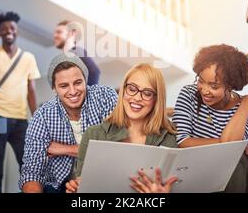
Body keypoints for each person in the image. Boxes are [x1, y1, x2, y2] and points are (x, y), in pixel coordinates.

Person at [65, 63, 178, 194]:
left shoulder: (169, 138)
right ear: (123, 90)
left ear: (157, 99)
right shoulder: (93, 134)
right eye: (132, 88)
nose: (137, 97)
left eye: (147, 93)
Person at [19, 53, 118, 193]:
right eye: (64, 86)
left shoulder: (105, 97)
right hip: (57, 186)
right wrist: (82, 149)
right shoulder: (42, 116)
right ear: (54, 89)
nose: (73, 91)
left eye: (78, 82)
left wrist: (59, 148)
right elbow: (32, 171)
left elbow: (115, 147)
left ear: (85, 80)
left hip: (101, 179)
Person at [172, 44, 248, 193]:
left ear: (231, 85)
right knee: (235, 155)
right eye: (200, 81)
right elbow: (182, 141)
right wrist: (234, 144)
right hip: (194, 166)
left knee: (235, 162)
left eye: (214, 86)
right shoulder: (188, 94)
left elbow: (230, 147)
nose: (204, 90)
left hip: (231, 173)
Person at [0, 11, 41, 193]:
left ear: (17, 31)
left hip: (20, 121)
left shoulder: (28, 57)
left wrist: (37, 119)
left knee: (28, 167)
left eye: (12, 28)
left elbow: (31, 90)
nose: (8, 31)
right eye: (4, 28)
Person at [53, 20, 100, 85]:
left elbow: (94, 71)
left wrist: (88, 94)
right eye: (55, 33)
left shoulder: (76, 52)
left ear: (72, 33)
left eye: (59, 32)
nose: (55, 35)